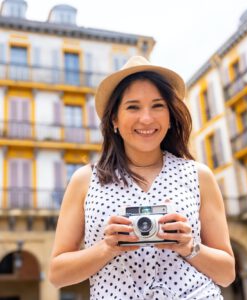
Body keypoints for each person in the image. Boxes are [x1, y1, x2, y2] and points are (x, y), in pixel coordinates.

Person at [49, 56, 235, 299]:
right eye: (133, 107)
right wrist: (106, 248)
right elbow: (57, 274)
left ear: (170, 117)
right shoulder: (85, 180)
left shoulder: (199, 175)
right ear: (114, 119)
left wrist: (190, 246)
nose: (146, 119)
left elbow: (227, 274)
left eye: (157, 106)